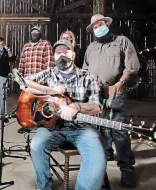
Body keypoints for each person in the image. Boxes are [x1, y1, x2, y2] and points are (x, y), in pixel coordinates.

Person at [22, 38, 106, 190]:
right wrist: (51, 90)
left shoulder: (87, 77)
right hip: (52, 128)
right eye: (58, 52)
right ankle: (44, 186)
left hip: (82, 128)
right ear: (53, 57)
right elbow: (25, 82)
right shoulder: (49, 73)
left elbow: (97, 106)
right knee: (36, 146)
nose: (61, 55)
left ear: (73, 54)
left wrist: (76, 106)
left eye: (65, 51)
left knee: (97, 157)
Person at [83, 14, 140, 188]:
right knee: (98, 130)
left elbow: (132, 66)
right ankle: (100, 171)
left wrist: (120, 83)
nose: (98, 27)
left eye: (100, 24)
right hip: (95, 93)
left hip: (116, 91)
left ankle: (127, 169)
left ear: (107, 24)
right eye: (94, 26)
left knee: (118, 130)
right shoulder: (91, 48)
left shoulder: (122, 42)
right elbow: (85, 69)